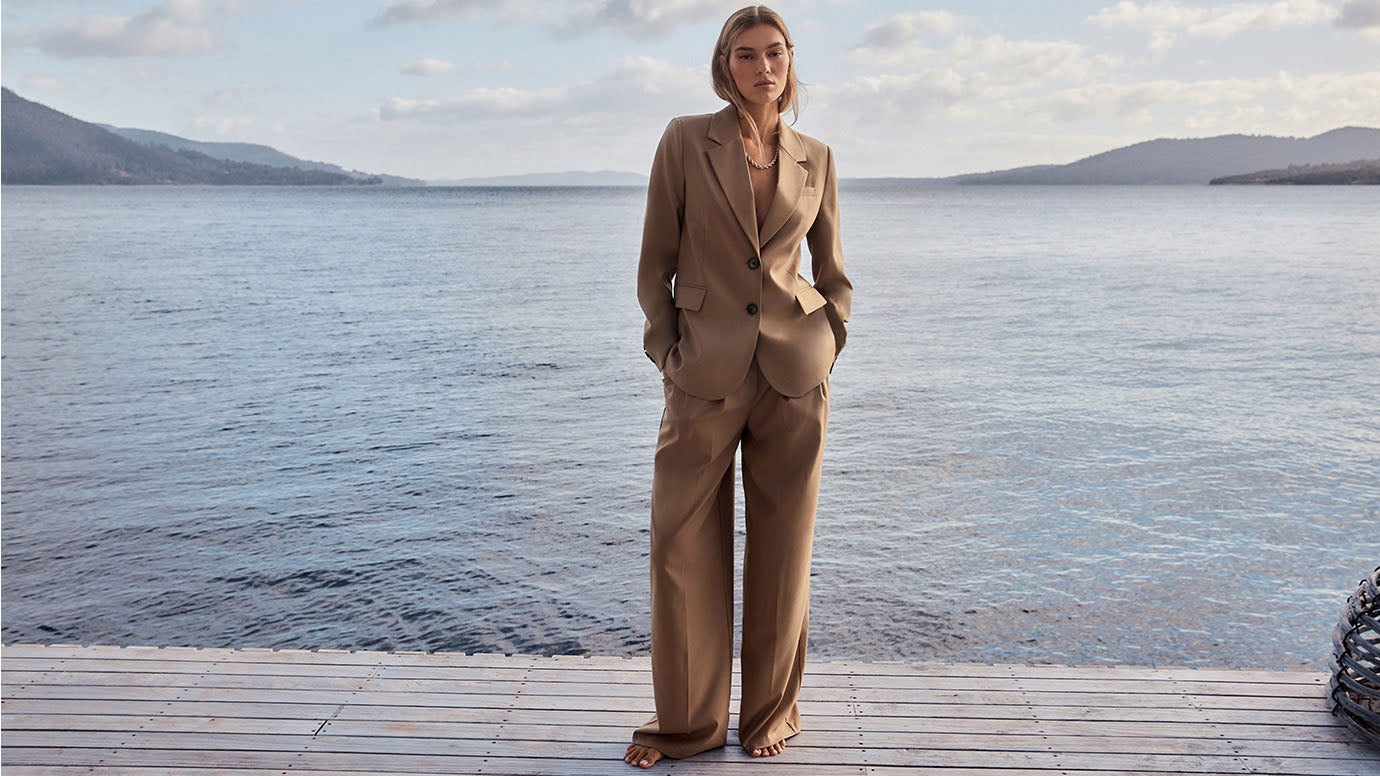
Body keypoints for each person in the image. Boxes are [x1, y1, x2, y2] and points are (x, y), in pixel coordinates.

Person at [624, 5, 852, 768]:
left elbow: (833, 270)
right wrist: (669, 352)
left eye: (775, 54)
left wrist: (830, 339)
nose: (763, 67)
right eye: (747, 54)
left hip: (794, 372)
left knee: (786, 551)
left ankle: (771, 718)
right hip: (705, 372)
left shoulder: (816, 154)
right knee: (679, 544)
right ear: (725, 65)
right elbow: (655, 261)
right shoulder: (686, 140)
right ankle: (686, 726)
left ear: (791, 63)